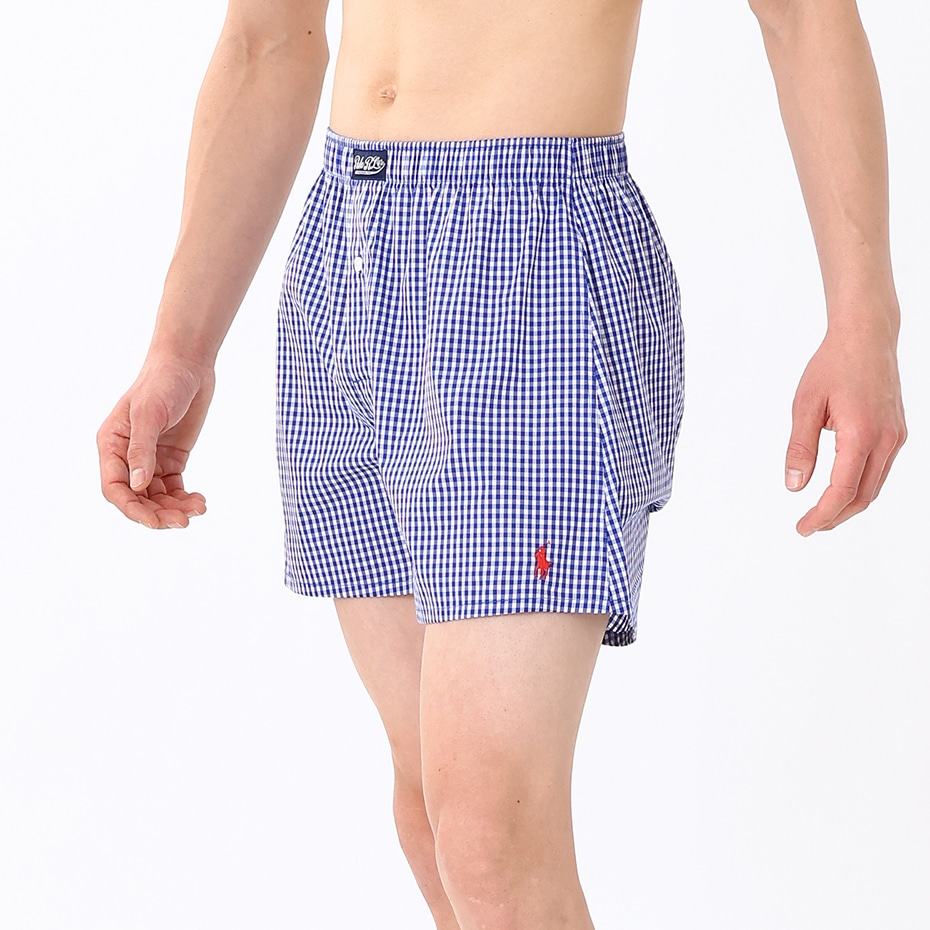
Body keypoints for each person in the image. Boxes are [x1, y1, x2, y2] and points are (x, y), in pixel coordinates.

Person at [96, 1, 907, 927]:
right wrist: (181, 346)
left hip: (534, 255)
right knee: (430, 816)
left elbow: (802, 15)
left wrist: (865, 319)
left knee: (489, 836)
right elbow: (267, 40)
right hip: (347, 253)